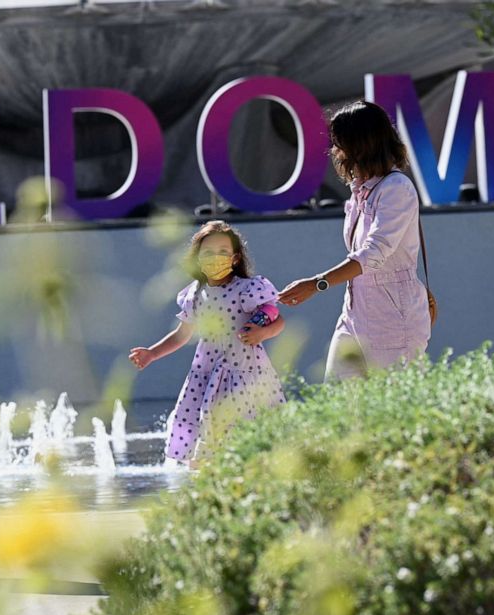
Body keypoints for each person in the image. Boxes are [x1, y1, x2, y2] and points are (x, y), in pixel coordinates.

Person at [278, 101, 431, 380]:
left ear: (360, 144)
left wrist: (316, 284)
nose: (335, 151)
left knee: (393, 412)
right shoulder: (360, 191)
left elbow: (373, 252)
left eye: (339, 142)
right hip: (356, 311)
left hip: (393, 316)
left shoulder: (396, 188)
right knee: (336, 405)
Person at [129, 221, 286, 468]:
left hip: (245, 372)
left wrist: (262, 333)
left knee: (246, 430)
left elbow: (278, 320)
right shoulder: (194, 294)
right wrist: (152, 353)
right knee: (205, 432)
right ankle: (206, 479)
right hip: (207, 374)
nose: (216, 258)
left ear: (235, 259)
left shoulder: (247, 289)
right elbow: (182, 335)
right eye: (208, 252)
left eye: (223, 252)